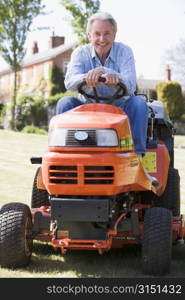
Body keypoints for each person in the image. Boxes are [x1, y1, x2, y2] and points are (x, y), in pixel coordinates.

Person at [56, 11, 157, 184]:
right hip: (88, 108)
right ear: (89, 35)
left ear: (114, 34)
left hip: (120, 109)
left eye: (107, 34)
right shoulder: (80, 53)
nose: (102, 39)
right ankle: (64, 161)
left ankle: (137, 159)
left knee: (139, 103)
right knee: (65, 103)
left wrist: (109, 73)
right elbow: (69, 82)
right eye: (97, 34)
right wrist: (88, 77)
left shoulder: (124, 52)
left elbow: (131, 84)